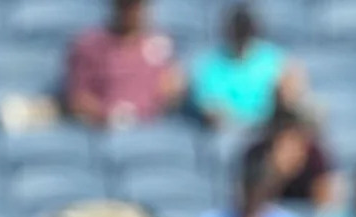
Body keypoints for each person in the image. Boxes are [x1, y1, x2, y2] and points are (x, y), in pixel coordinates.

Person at [64, 0, 185, 128]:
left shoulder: (160, 44)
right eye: (125, 5)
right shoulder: (90, 45)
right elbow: (78, 98)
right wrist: (109, 116)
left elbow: (170, 90)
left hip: (149, 128)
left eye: (136, 6)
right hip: (103, 129)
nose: (131, 12)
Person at [189, 2, 302, 130]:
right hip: (224, 131)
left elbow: (292, 90)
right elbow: (209, 108)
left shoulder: (273, 60)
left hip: (267, 129)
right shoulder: (209, 65)